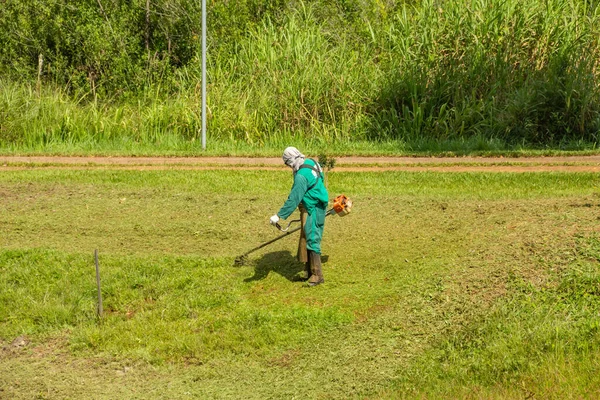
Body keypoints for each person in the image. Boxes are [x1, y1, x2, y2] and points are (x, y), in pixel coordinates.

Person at [270, 147, 329, 286]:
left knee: (312, 237)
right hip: (315, 203)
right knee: (307, 235)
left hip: (313, 207)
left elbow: (293, 199)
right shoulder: (312, 162)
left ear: (290, 161)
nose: (289, 167)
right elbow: (321, 177)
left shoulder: (301, 176)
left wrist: (278, 216)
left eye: (288, 163)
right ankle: (308, 271)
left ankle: (317, 275)